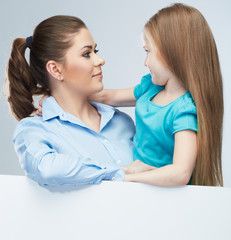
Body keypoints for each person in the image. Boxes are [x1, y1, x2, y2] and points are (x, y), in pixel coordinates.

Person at [87, 3, 224, 186]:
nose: (145, 62)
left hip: (162, 195)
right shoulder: (151, 87)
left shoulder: (183, 111)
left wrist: (126, 177)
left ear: (173, 53)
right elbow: (106, 97)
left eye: (148, 51)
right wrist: (58, 96)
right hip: (141, 188)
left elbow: (180, 173)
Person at [6, 15, 143, 186]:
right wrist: (118, 173)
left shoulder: (121, 121)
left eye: (96, 51)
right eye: (87, 54)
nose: (100, 60)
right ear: (55, 69)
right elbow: (47, 169)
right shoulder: (34, 130)